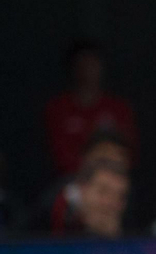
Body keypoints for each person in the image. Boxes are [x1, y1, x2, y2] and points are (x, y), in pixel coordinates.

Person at [43, 41, 138, 177]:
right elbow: (60, 157)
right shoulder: (58, 108)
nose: (88, 69)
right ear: (73, 68)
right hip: (73, 180)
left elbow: (130, 153)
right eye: (83, 64)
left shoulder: (118, 107)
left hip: (114, 178)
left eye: (93, 64)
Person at [50, 157, 128, 238]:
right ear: (82, 188)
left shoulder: (131, 227)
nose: (111, 202)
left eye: (120, 196)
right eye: (103, 191)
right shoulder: (51, 213)